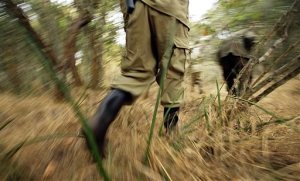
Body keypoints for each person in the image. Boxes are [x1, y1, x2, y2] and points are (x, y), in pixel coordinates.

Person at [83, 0, 189, 158]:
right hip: (169, 6)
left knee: (135, 72)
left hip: (134, 6)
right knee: (173, 69)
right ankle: (172, 132)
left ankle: (99, 123)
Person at [217, 30, 257, 96]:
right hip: (233, 55)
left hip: (224, 56)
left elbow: (219, 55)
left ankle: (234, 92)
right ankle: (238, 93)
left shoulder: (230, 39)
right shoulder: (240, 41)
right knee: (246, 75)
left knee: (229, 78)